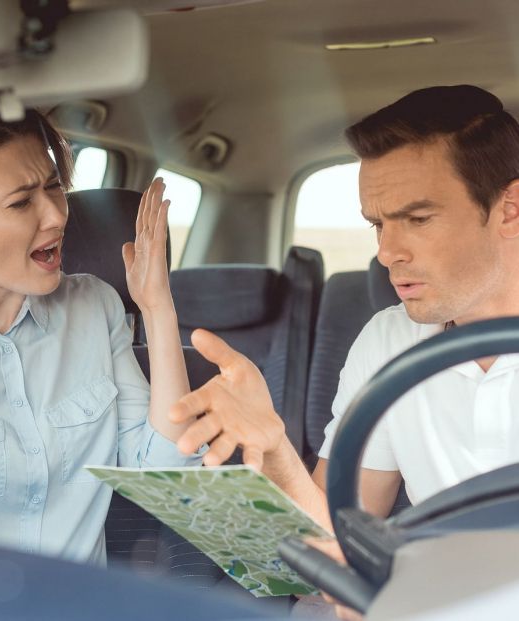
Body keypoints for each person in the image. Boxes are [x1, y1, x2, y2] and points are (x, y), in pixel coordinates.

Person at [169, 85, 519, 617]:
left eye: (418, 219)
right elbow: (333, 550)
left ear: (509, 209)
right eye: (378, 224)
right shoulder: (387, 341)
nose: (386, 252)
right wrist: (275, 447)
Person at [0, 110, 201, 564]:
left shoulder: (94, 306)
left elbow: (168, 480)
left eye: (54, 187)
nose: (57, 216)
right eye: (21, 203)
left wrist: (157, 307)